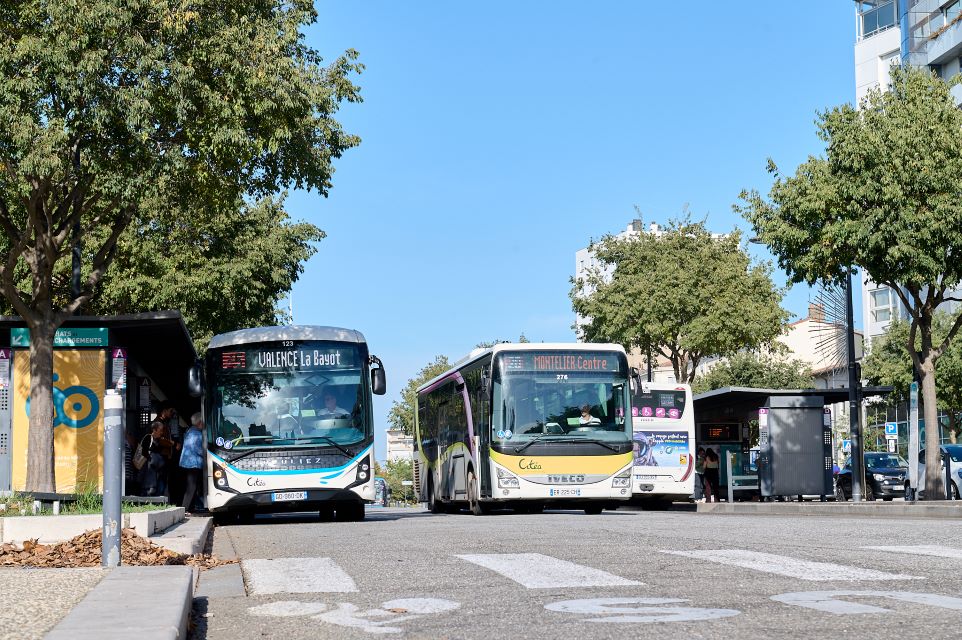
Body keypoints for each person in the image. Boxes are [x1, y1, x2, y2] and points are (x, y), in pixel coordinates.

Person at [179, 413, 206, 514]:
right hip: (193, 463)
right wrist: (207, 454)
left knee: (193, 486)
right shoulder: (196, 434)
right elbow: (198, 449)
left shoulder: (190, 431)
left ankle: (190, 507)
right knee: (192, 486)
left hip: (189, 463)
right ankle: (185, 508)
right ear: (199, 423)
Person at [142, 421, 174, 497]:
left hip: (158, 472)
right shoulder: (148, 438)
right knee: (150, 489)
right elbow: (144, 452)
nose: (162, 432)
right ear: (154, 430)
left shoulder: (160, 440)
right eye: (160, 430)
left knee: (159, 488)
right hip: (150, 471)